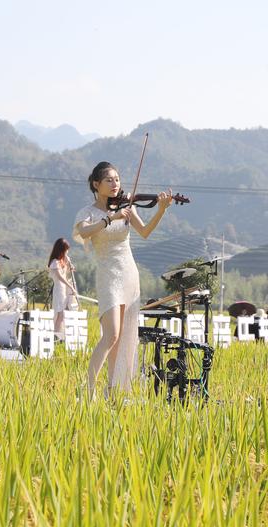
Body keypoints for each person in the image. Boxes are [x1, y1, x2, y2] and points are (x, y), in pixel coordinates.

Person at [73, 161, 172, 399]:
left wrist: (161, 209)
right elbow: (84, 232)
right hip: (108, 273)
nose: (115, 183)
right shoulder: (88, 212)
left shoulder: (127, 206)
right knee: (111, 335)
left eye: (117, 179)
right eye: (109, 180)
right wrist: (110, 218)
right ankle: (88, 388)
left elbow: (145, 232)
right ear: (96, 184)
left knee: (124, 336)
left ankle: (112, 390)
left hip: (129, 272)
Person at [47, 237, 78, 341]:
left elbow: (67, 271)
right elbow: (60, 277)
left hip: (64, 289)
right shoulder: (54, 262)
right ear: (61, 250)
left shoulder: (63, 261)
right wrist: (71, 287)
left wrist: (70, 265)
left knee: (64, 313)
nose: (67, 252)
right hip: (59, 290)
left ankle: (59, 335)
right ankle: (55, 336)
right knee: (59, 313)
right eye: (66, 249)